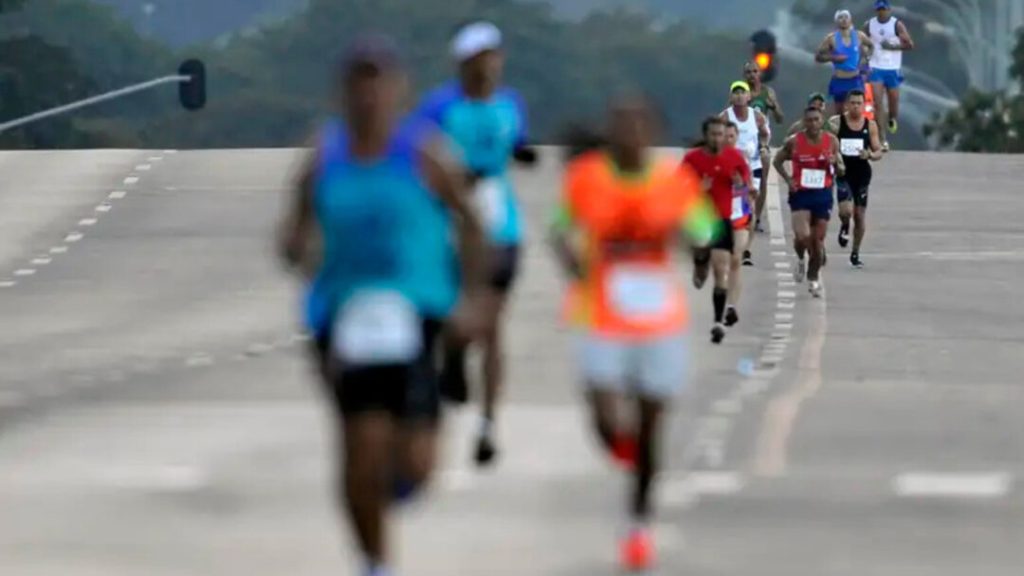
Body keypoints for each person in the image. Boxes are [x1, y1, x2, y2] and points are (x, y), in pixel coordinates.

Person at [278, 34, 489, 576]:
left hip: (417, 313)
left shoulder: (422, 154)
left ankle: (385, 491)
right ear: (342, 94)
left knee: (415, 468)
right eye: (358, 84)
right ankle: (374, 562)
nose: (368, 96)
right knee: (359, 447)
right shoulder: (325, 156)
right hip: (344, 315)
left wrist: (472, 299)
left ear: (398, 91)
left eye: (379, 83)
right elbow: (293, 233)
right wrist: (300, 251)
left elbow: (471, 222)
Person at [549, 93, 720, 573]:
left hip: (656, 319)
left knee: (651, 424)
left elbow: (703, 230)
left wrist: (692, 239)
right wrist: (574, 264)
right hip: (599, 312)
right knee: (605, 418)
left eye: (638, 125)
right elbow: (559, 229)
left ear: (653, 134)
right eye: (620, 124)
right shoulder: (587, 179)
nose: (629, 134)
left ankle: (638, 525)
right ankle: (624, 450)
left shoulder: (674, 184)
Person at [415, 20, 537, 467]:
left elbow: (516, 143)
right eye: (479, 61)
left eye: (494, 58)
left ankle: (488, 425)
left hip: (501, 228)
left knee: (492, 325)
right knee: (455, 321)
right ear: (463, 65)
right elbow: (417, 156)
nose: (489, 68)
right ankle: (451, 359)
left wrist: (524, 154)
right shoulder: (439, 108)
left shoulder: (511, 104)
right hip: (449, 228)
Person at [683, 115, 751, 343]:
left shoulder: (734, 157)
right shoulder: (692, 159)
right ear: (705, 135)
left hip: (722, 221)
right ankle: (698, 264)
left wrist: (743, 185)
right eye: (713, 134)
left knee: (720, 270)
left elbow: (746, 183)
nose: (717, 138)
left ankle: (718, 322)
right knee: (702, 269)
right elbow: (676, 188)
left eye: (721, 134)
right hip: (699, 219)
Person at [773, 106, 844, 298]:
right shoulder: (794, 142)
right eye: (809, 120)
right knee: (803, 236)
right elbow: (777, 161)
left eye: (816, 120)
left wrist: (834, 163)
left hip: (822, 193)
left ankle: (813, 278)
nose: (813, 123)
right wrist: (789, 180)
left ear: (822, 122)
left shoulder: (831, 141)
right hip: (801, 194)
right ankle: (800, 258)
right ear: (804, 122)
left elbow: (842, 170)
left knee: (817, 242)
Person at [829, 89, 883, 267]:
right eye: (852, 103)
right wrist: (834, 160)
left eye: (859, 103)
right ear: (846, 104)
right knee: (845, 211)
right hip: (843, 172)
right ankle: (844, 225)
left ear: (863, 105)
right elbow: (828, 144)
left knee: (859, 215)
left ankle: (855, 252)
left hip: (862, 174)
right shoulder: (837, 123)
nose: (856, 107)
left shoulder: (870, 125)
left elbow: (878, 151)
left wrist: (869, 154)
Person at [720, 81, 768, 267]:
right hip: (731, 169)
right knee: (731, 208)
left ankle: (746, 249)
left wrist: (762, 146)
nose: (739, 96)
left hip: (752, 166)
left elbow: (764, 134)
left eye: (743, 92)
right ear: (731, 97)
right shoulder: (725, 116)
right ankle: (732, 241)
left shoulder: (757, 117)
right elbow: (716, 137)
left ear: (749, 96)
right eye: (736, 93)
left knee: (750, 207)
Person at [865, 0, 914, 149]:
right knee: (878, 103)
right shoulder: (869, 24)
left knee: (893, 102)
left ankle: (892, 118)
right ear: (875, 10)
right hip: (875, 67)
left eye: (884, 9)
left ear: (889, 10)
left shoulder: (896, 24)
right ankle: (881, 138)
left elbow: (910, 44)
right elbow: (862, 42)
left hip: (892, 68)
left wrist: (893, 46)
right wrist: (866, 53)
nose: (881, 12)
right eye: (879, 10)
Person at [743, 61, 784, 233]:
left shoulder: (768, 92)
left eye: (755, 71)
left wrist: (773, 107)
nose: (752, 75)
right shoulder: (740, 91)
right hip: (744, 139)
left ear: (760, 74)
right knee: (743, 179)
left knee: (762, 180)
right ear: (745, 75)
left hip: (762, 139)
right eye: (749, 72)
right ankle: (743, 214)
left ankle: (757, 217)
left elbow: (780, 119)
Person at [723, 121, 756, 323]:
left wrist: (750, 194)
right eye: (723, 136)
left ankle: (731, 306)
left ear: (736, 138)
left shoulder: (741, 158)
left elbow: (749, 183)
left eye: (731, 136)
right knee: (721, 262)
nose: (727, 140)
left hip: (739, 214)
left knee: (736, 258)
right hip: (718, 216)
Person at [816, 9, 874, 116]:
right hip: (839, 80)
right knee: (839, 114)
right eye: (840, 17)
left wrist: (865, 59)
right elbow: (818, 57)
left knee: (856, 112)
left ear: (850, 19)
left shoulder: (859, 36)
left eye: (846, 17)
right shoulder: (831, 39)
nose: (843, 20)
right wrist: (833, 58)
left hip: (855, 80)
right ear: (836, 21)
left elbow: (871, 46)